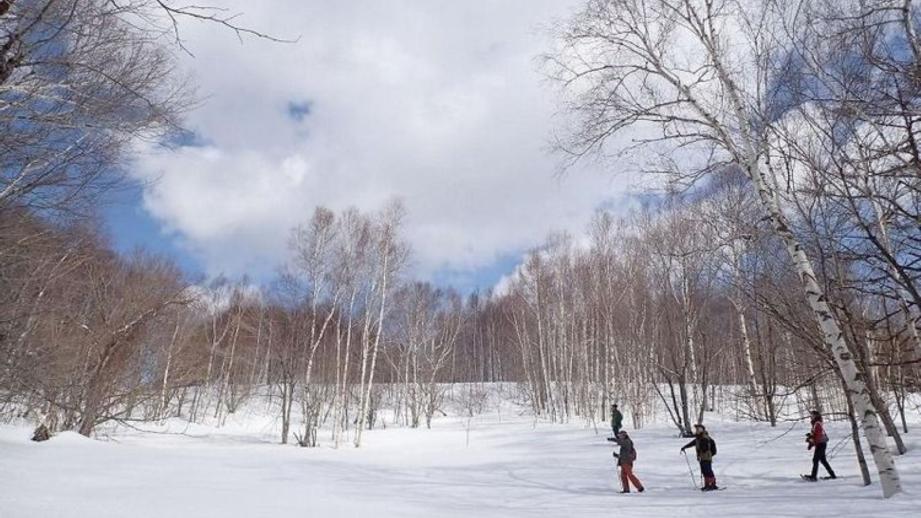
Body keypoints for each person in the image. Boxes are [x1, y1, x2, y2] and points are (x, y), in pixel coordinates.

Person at [680, 423, 718, 491]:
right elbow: (692, 443)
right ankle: (707, 485)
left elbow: (709, 449)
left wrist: (708, 454)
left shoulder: (705, 438)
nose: (697, 430)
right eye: (696, 429)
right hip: (702, 458)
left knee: (708, 470)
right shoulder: (698, 438)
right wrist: (684, 447)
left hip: (706, 457)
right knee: (704, 471)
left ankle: (712, 485)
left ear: (702, 430)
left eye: (698, 429)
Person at [802, 410, 836, 481]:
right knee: (823, 460)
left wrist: (811, 440)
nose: (811, 417)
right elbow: (815, 435)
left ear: (816, 416)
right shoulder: (815, 424)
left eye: (812, 415)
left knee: (815, 460)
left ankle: (813, 476)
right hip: (821, 444)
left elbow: (818, 436)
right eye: (811, 415)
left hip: (821, 444)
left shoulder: (817, 424)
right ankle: (832, 475)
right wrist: (810, 437)